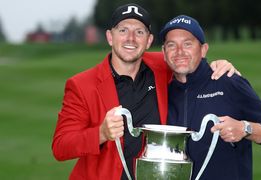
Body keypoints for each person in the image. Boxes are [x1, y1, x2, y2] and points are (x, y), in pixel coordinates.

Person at [52, 4, 239, 180]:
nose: (131, 38)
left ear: (149, 41)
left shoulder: (162, 66)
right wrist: (101, 133)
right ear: (110, 37)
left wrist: (218, 64)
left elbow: (190, 59)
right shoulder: (82, 85)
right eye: (123, 30)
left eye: (139, 32)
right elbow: (61, 146)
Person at [160, 15, 261, 180]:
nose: (179, 52)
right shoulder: (161, 91)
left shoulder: (227, 81)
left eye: (187, 44)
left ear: (203, 49)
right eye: (171, 45)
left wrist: (245, 128)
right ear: (163, 52)